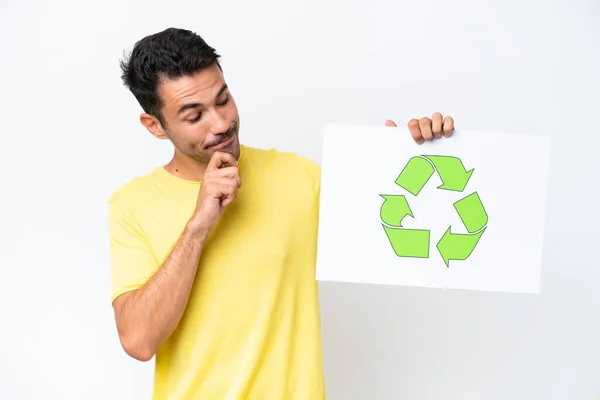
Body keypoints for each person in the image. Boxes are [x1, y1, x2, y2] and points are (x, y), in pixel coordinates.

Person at [108, 27, 456, 400]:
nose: (221, 123)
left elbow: (402, 232)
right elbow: (139, 340)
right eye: (195, 116)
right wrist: (198, 226)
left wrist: (414, 156)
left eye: (223, 100)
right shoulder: (132, 204)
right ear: (155, 127)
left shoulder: (300, 178)